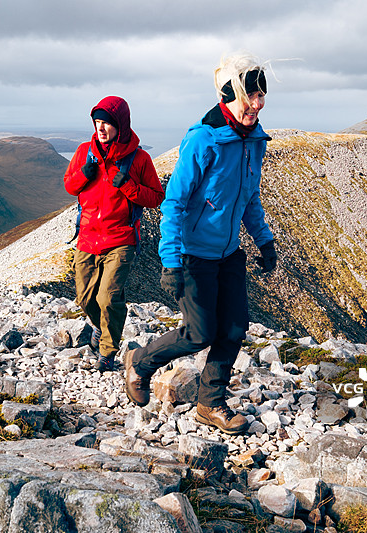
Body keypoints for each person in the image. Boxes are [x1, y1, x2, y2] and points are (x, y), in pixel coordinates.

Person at [124, 53, 278, 435]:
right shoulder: (203, 140)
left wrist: (265, 241)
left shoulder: (252, 140)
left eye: (262, 95)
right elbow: (174, 203)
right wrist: (171, 262)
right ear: (229, 95)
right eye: (250, 95)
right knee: (199, 333)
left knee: (234, 328)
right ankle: (140, 362)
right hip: (194, 255)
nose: (257, 105)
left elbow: (249, 196)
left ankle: (210, 403)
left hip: (228, 254)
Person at [64, 96, 164, 372]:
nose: (101, 128)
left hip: (121, 239)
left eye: (107, 123)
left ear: (121, 125)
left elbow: (156, 197)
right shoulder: (85, 152)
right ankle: (99, 326)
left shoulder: (139, 159)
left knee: (108, 296)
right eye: (97, 122)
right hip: (87, 237)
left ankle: (107, 352)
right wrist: (84, 174)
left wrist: (129, 186)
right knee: (85, 298)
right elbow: (70, 186)